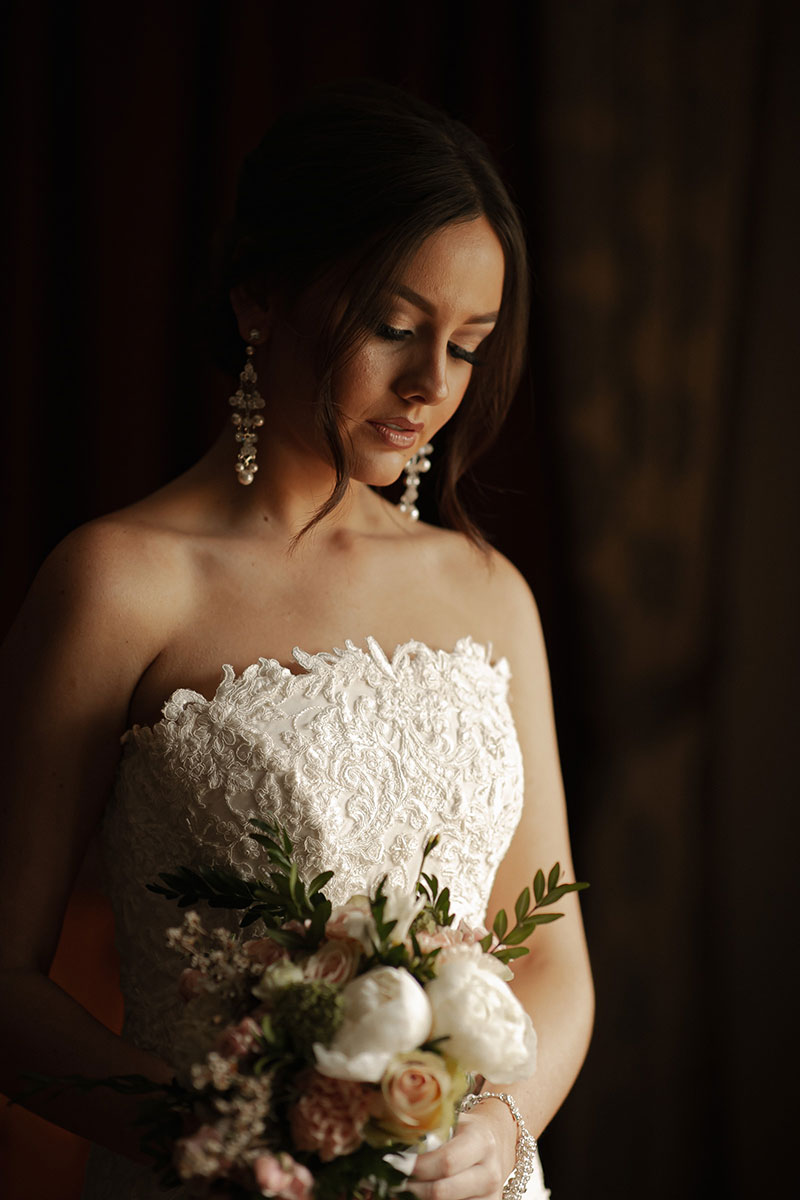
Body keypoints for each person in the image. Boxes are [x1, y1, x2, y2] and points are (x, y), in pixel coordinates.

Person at [0, 82, 593, 1199]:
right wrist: (227, 1138)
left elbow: (555, 961)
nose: (429, 388)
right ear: (258, 297)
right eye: (394, 327)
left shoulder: (486, 593)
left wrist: (500, 1135)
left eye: (466, 346)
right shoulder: (118, 584)